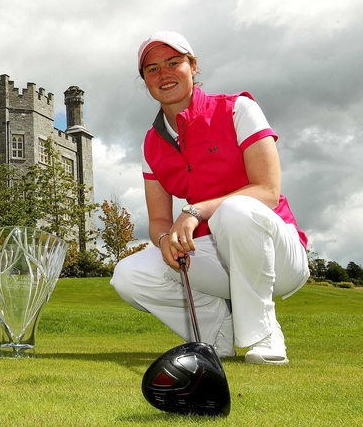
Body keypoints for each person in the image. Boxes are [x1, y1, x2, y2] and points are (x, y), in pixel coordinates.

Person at [110, 31, 309, 365]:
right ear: (144, 79)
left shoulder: (238, 109)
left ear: (193, 66)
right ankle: (218, 332)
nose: (164, 74)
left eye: (174, 63)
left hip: (279, 256)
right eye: (153, 69)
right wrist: (164, 241)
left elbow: (267, 191)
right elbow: (159, 221)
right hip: (217, 260)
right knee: (128, 275)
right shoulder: (151, 143)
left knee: (235, 210)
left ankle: (264, 334)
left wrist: (195, 211)